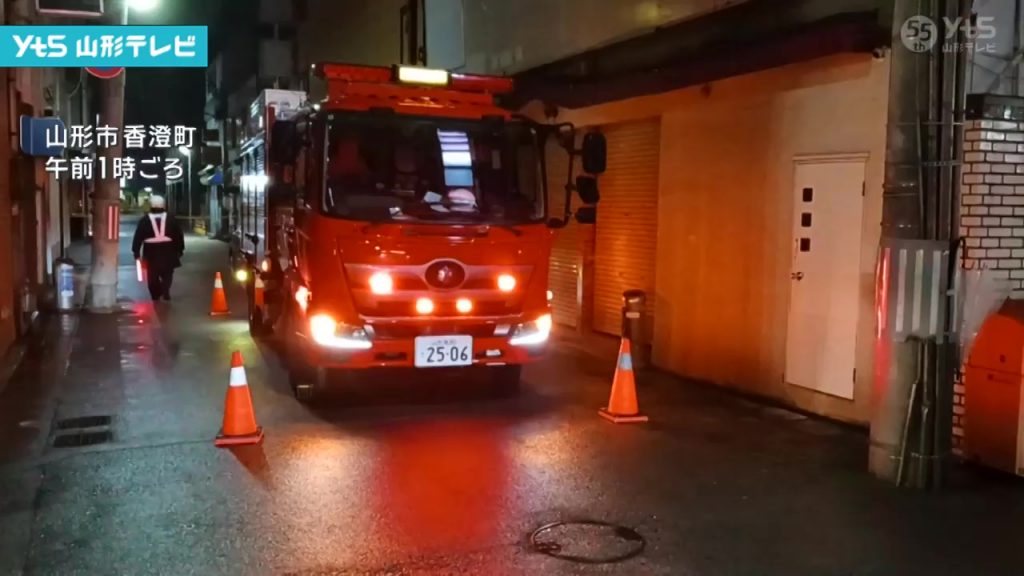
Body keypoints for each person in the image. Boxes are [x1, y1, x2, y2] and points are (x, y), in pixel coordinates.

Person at [132, 195, 184, 301]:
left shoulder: (145, 220)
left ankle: (156, 294)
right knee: (168, 273)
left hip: (151, 251)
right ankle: (165, 290)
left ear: (151, 205)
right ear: (163, 205)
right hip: (169, 250)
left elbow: (138, 236)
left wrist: (136, 251)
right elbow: (178, 235)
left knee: (152, 275)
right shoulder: (171, 219)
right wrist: (180, 249)